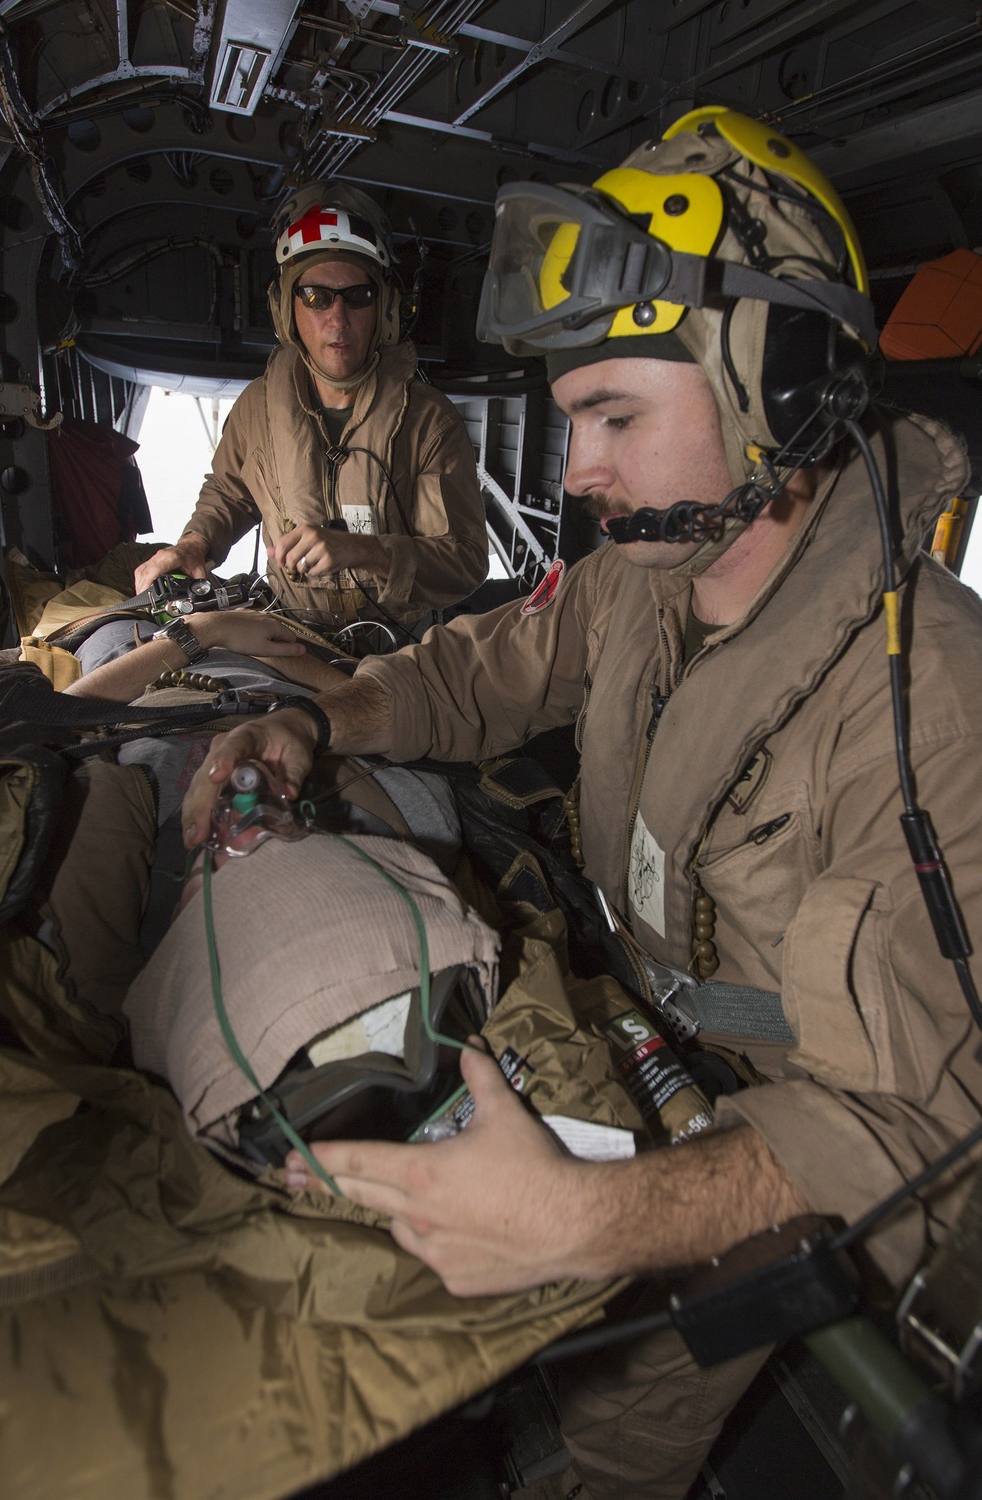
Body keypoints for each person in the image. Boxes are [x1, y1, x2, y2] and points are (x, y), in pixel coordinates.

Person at [180, 109, 982, 1497]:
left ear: (779, 389)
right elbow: (472, 673)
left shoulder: (935, 704)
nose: (580, 473)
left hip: (811, 1152)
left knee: (608, 1413)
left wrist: (592, 1221)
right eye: (572, 424)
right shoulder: (642, 582)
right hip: (647, 1025)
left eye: (616, 416)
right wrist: (314, 717)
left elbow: (907, 1135)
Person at [133, 183, 489, 640]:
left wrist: (368, 552)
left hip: (398, 647)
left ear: (384, 310)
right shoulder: (257, 409)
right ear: (287, 310)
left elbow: (464, 563)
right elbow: (231, 489)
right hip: (291, 638)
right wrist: (194, 544)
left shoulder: (429, 422)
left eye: (357, 297)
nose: (338, 320)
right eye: (317, 298)